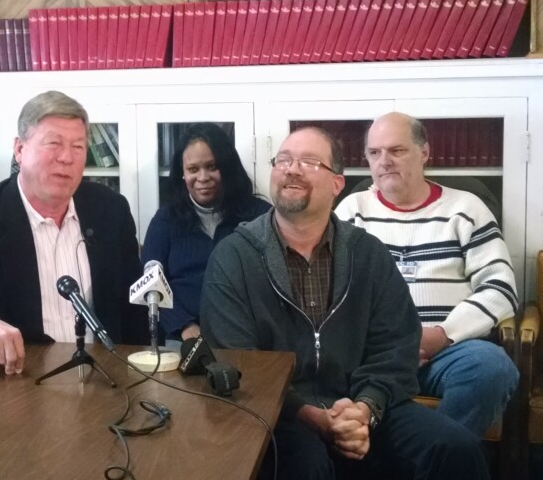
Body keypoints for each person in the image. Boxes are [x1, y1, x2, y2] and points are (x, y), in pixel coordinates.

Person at [201, 126, 488, 480]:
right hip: (279, 412)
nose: (291, 169)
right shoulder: (234, 256)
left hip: (363, 403)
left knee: (455, 448)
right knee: (306, 465)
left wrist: (364, 409)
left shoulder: (367, 254)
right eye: (284, 160)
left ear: (337, 185)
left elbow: (396, 346)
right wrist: (315, 417)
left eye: (308, 162)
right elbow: (237, 360)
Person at [0, 90, 147, 374]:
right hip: (17, 384)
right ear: (20, 149)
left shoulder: (110, 211)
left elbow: (135, 312)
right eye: (53, 143)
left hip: (104, 379)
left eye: (78, 147)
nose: (67, 157)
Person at [335, 112, 519, 438]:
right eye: (374, 153)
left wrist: (443, 334)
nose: (385, 161)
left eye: (397, 150)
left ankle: (439, 460)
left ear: (425, 153)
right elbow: (330, 289)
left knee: (492, 368)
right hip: (373, 353)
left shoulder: (466, 208)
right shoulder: (351, 211)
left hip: (448, 352)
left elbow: (500, 288)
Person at [141, 123, 270, 342]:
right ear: (182, 173)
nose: (203, 177)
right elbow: (150, 284)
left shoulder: (260, 216)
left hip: (248, 335)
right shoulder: (165, 220)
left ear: (228, 167)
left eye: (212, 166)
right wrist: (184, 326)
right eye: (193, 169)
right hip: (182, 337)